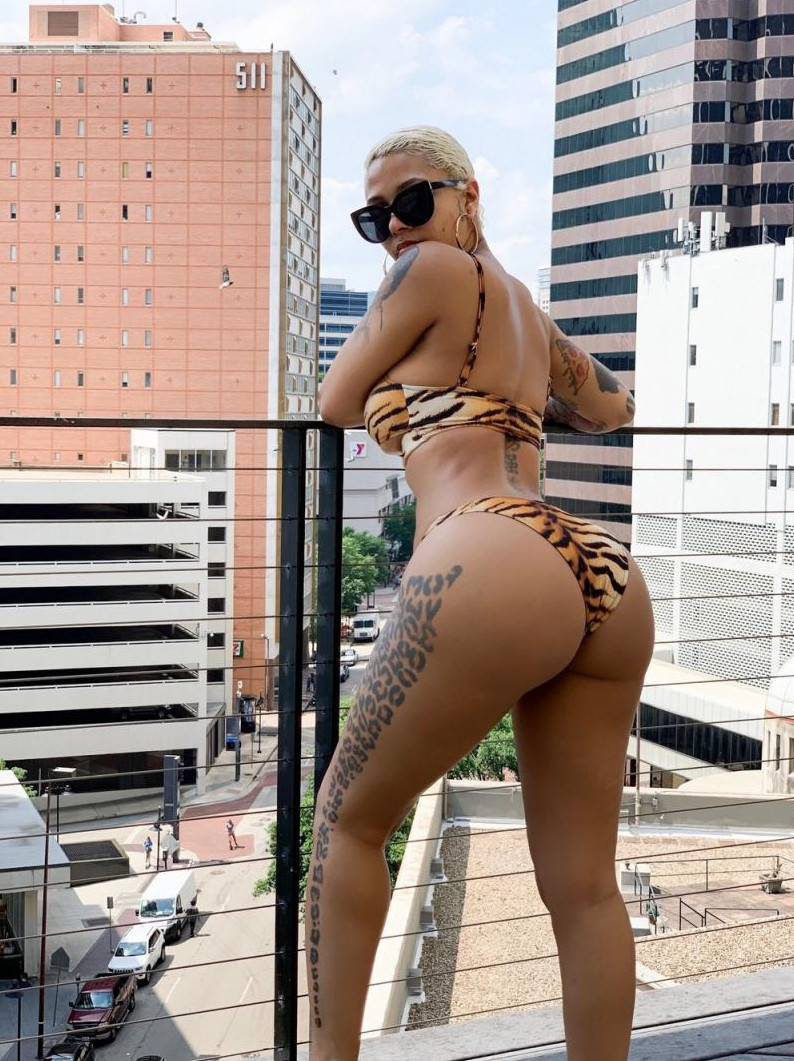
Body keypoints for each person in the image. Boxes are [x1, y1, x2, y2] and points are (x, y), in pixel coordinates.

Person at [308, 126, 655, 1061]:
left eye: (411, 202)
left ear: (466, 195)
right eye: (373, 219)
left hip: (485, 550)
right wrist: (526, 384)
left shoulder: (425, 274)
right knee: (585, 886)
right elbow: (613, 407)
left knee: (345, 822)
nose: (393, 229)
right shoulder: (525, 310)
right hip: (596, 567)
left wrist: (399, 402)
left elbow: (333, 400)